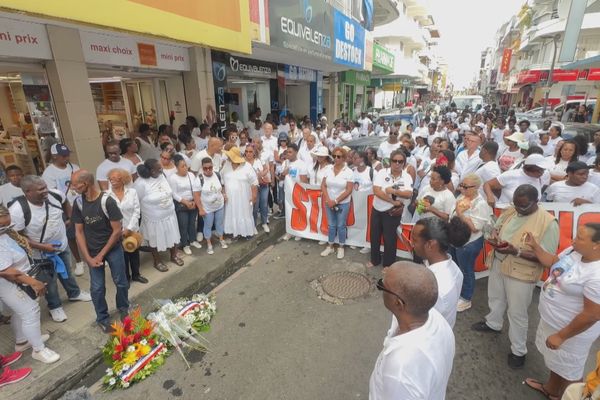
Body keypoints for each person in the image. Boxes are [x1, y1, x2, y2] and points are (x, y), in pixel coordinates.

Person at [472, 184, 559, 369]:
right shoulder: (512, 210)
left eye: (523, 206)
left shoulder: (548, 222)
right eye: (516, 204)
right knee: (495, 297)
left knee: (517, 312)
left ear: (537, 202)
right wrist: (493, 235)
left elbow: (548, 259)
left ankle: (518, 350)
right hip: (499, 261)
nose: (518, 209)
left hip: (521, 272)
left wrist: (516, 251)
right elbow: (497, 226)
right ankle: (493, 323)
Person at [523, 223, 600, 399]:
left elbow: (592, 315)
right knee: (556, 361)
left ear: (597, 244)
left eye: (580, 238)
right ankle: (551, 390)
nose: (573, 240)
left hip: (571, 333)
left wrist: (562, 336)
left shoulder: (597, 274)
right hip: (554, 321)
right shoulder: (575, 251)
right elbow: (553, 262)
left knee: (570, 372)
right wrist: (536, 247)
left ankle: (572, 396)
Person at [9, 175, 91, 322]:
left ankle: (74, 293)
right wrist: (43, 247)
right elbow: (18, 237)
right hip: (39, 253)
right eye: (40, 189)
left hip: (61, 245)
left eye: (45, 186)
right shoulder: (18, 210)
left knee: (66, 272)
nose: (45, 190)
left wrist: (70, 219)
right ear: (27, 192)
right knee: (49, 281)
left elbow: (66, 202)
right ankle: (54, 306)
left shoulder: (55, 195)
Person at [369, 261, 455, 400]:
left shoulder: (400, 370)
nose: (381, 286)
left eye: (382, 286)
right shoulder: (437, 319)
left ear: (398, 303)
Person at [71, 170, 129, 333]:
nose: (73, 187)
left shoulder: (107, 201)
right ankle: (102, 318)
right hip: (92, 252)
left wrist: (101, 255)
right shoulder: (79, 203)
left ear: (86, 184)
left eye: (75, 184)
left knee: (121, 281)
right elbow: (79, 232)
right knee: (97, 288)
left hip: (112, 249)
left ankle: (123, 307)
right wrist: (87, 258)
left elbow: (117, 231)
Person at [0, 206, 60, 363]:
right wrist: (34, 282)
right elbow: (6, 270)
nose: (5, 227)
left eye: (7, 223)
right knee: (30, 312)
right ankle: (38, 350)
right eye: (2, 225)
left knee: (20, 312)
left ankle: (22, 341)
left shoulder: (5, 233)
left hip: (21, 277)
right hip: (9, 282)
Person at [410, 217, 470, 327]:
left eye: (414, 240)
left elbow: (418, 324)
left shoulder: (432, 289)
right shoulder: (455, 269)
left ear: (430, 245)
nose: (411, 243)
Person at [41, 144, 86, 276]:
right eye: (63, 156)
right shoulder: (48, 173)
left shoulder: (74, 167)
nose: (67, 158)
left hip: (81, 203)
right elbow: (52, 195)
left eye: (67, 154)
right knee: (71, 235)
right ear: (54, 156)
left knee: (88, 230)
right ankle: (79, 261)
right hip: (64, 209)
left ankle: (93, 253)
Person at [451, 174, 492, 312]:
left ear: (476, 187)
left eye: (465, 186)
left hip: (469, 243)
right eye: (461, 185)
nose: (462, 188)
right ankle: (457, 292)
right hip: (456, 239)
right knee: (456, 268)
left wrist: (461, 214)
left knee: (466, 270)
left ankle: (466, 298)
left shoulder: (480, 204)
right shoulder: (461, 198)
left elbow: (475, 228)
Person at [134, 159, 182, 272]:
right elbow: (136, 201)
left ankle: (174, 255)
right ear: (151, 171)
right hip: (153, 219)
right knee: (154, 239)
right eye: (158, 168)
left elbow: (169, 191)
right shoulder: (140, 183)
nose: (161, 169)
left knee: (172, 235)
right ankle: (157, 261)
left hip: (169, 215)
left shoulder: (162, 176)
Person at [368, 150, 413, 268]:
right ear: (390, 161)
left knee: (390, 239)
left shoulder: (407, 176)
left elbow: (408, 194)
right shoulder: (382, 172)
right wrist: (392, 200)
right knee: (375, 236)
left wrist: (393, 191)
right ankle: (374, 260)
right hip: (377, 209)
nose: (397, 164)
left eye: (400, 161)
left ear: (404, 163)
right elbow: (376, 191)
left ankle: (388, 264)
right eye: (394, 161)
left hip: (392, 213)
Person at [106, 169, 146, 284]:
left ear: (123, 179)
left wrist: (129, 228)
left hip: (131, 229)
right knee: (122, 256)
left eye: (116, 178)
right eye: (110, 178)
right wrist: (119, 231)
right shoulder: (106, 195)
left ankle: (136, 275)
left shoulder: (132, 192)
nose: (112, 180)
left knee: (134, 252)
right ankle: (126, 278)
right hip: (116, 232)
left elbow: (136, 211)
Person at [320, 147, 354, 260]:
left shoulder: (349, 172)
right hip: (328, 202)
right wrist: (328, 199)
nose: (336, 158)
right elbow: (323, 185)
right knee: (331, 225)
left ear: (344, 158)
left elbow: (349, 190)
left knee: (341, 225)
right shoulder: (328, 169)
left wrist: (335, 201)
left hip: (343, 203)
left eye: (339, 156)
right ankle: (330, 246)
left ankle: (341, 247)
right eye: (334, 156)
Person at [483, 153, 551, 208]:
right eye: (539, 170)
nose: (542, 173)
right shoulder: (512, 175)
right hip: (507, 212)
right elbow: (487, 184)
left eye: (543, 170)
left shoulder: (541, 178)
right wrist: (490, 196)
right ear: (530, 168)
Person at [168, 154, 203, 255]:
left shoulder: (191, 175)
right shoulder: (173, 178)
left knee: (192, 223)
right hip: (181, 204)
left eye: (186, 165)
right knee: (183, 224)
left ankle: (192, 240)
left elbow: (196, 188)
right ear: (177, 167)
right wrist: (185, 202)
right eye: (182, 166)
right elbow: (173, 193)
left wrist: (193, 201)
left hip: (193, 202)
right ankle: (185, 244)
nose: (185, 168)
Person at [222, 147, 258, 238]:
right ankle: (234, 232)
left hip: (244, 197)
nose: (228, 157)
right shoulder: (226, 165)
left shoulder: (247, 166)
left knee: (245, 213)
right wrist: (223, 194)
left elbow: (254, 183)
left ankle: (246, 232)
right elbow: (222, 181)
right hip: (230, 198)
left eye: (230, 156)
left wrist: (254, 196)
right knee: (232, 213)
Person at [198, 157, 228, 255]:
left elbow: (222, 186)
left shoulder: (217, 174)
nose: (208, 170)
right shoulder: (199, 178)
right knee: (208, 225)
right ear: (202, 168)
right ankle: (209, 244)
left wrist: (224, 194)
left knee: (219, 223)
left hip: (219, 205)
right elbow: (196, 195)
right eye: (205, 168)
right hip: (207, 208)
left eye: (210, 167)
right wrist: (200, 209)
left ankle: (221, 239)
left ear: (212, 166)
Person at [245, 144, 271, 233]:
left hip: (263, 185)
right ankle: (254, 225)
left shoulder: (259, 160)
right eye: (246, 151)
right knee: (254, 207)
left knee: (264, 205)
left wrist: (261, 174)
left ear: (254, 153)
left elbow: (266, 169)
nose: (248, 154)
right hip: (252, 188)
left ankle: (264, 223)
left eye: (250, 152)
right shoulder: (243, 163)